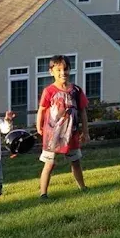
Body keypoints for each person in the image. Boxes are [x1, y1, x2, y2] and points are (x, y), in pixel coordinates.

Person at [36, 55, 90, 199]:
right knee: (49, 164)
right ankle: (43, 193)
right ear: (51, 71)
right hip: (52, 135)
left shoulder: (76, 91)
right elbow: (41, 109)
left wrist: (85, 131)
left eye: (65, 69)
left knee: (76, 161)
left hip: (71, 134)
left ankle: (82, 187)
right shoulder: (49, 91)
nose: (62, 73)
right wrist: (39, 126)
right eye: (58, 69)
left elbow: (82, 111)